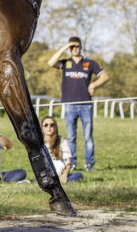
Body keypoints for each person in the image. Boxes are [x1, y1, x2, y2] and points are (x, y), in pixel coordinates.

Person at [46, 37, 109, 171]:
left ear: (81, 47)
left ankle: (89, 164)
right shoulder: (65, 63)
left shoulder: (89, 63)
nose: (75, 48)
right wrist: (64, 47)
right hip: (70, 105)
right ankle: (72, 163)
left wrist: (93, 84)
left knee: (88, 137)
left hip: (86, 105)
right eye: (72, 46)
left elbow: (105, 76)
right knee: (71, 138)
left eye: (77, 46)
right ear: (69, 48)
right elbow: (51, 63)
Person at [40, 116, 83, 183]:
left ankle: (59, 180)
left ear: (55, 127)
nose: (49, 127)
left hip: (60, 170)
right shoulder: (39, 143)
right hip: (45, 173)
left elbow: (67, 162)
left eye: (52, 125)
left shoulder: (62, 141)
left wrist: (65, 175)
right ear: (42, 128)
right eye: (45, 125)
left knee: (79, 175)